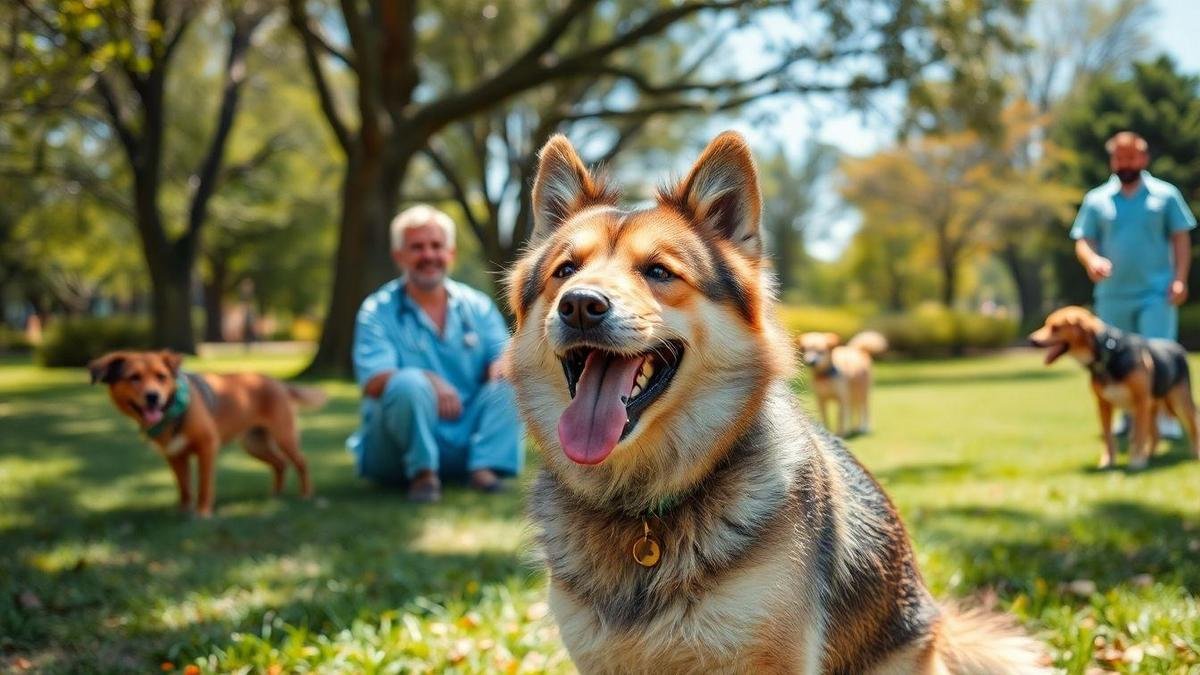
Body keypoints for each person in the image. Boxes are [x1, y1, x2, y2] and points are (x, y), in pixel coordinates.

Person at [347, 204, 523, 502]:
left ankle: (484, 469)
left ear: (450, 253)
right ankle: (422, 474)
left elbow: (504, 355)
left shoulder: (477, 306)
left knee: (516, 374)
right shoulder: (377, 310)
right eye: (417, 247)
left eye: (436, 246)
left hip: (464, 440)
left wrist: (500, 366)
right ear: (399, 256)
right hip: (396, 453)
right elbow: (374, 380)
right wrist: (428, 378)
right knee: (408, 383)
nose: (428, 255)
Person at [1071, 131, 1197, 436]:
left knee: (1156, 359)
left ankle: (1164, 419)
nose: (1124, 163)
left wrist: (1180, 279)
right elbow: (1083, 240)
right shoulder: (1096, 199)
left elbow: (1181, 239)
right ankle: (1128, 420)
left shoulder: (1165, 195)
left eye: (1131, 157)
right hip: (1113, 296)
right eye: (1119, 158)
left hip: (1156, 292)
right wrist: (1092, 261)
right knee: (1114, 362)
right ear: (1112, 160)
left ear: (1143, 158)